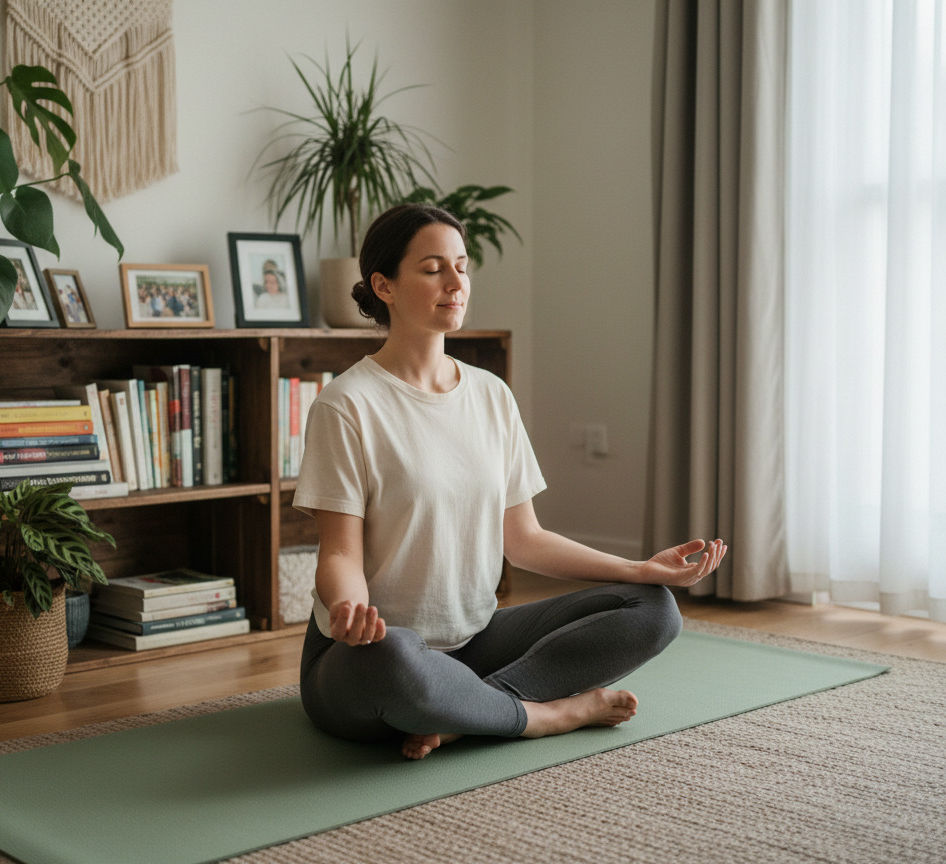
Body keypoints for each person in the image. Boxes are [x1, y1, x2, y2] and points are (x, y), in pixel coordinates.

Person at [293, 203, 727, 760]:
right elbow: (338, 554)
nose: (456, 284)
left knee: (654, 610)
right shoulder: (346, 405)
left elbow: (523, 540)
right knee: (395, 658)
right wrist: (350, 610)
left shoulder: (491, 395)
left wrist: (638, 569)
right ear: (385, 286)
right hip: (368, 656)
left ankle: (467, 712)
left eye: (462, 267)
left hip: (474, 644)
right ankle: (542, 715)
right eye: (433, 269)